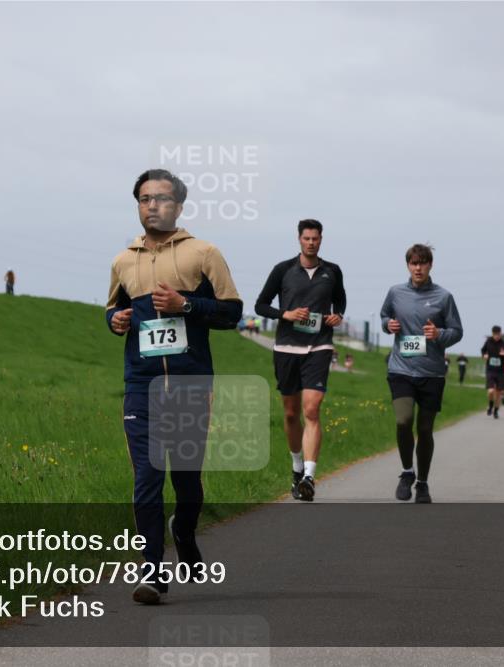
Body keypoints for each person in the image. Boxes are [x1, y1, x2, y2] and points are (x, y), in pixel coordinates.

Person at [105, 169, 242, 604]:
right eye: (144, 199)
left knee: (186, 483)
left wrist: (186, 305)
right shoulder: (124, 260)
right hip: (141, 384)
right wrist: (115, 320)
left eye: (161, 199)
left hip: (189, 383)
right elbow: (113, 308)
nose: (152, 206)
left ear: (179, 206)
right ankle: (151, 572)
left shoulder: (204, 253)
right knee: (147, 476)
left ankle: (183, 530)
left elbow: (231, 312)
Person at [255, 219, 346, 502]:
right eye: (306, 238)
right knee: (292, 413)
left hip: (319, 347)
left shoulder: (332, 271)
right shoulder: (283, 270)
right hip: (286, 349)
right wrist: (286, 314)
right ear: (299, 239)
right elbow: (260, 305)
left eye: (315, 239)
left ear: (321, 240)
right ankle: (296, 468)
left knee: (312, 409)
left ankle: (309, 475)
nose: (311, 243)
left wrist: (337, 316)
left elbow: (340, 301)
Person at [380, 243, 463, 503]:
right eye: (414, 263)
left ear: (430, 265)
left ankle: (423, 484)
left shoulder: (444, 297)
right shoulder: (395, 292)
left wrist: (439, 335)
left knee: (425, 429)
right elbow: (384, 316)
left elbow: (457, 331)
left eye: (423, 263)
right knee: (403, 421)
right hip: (401, 369)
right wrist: (388, 325)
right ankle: (407, 472)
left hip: (432, 373)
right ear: (408, 265)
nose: (418, 268)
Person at [481, 326, 504, 419]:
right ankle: (490, 405)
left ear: (500, 334)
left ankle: (496, 411)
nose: (497, 336)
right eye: (495, 334)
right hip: (490, 370)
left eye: (498, 334)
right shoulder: (488, 341)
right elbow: (483, 350)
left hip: (500, 371)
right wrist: (484, 355)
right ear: (493, 334)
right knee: (490, 391)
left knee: (498, 393)